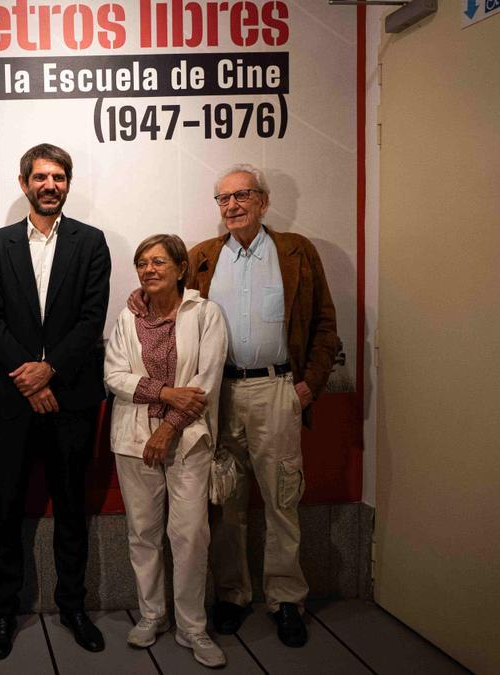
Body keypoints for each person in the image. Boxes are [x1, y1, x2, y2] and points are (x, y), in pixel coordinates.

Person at [190, 164, 339, 647]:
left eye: (242, 195)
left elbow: (324, 324)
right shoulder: (203, 258)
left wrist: (310, 386)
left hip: (278, 391)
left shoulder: (296, 252)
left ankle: (287, 599)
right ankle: (232, 595)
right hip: (220, 394)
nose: (232, 206)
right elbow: (173, 309)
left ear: (263, 201)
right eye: (223, 199)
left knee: (282, 499)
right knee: (226, 500)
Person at [0, 143, 112, 659]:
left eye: (58, 176)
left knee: (71, 508)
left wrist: (50, 369)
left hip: (71, 399)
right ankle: (5, 610)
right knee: (7, 508)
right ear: (23, 183)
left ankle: (73, 606)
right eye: (40, 176)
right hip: (13, 402)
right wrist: (28, 379)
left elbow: (90, 319)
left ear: (68, 183)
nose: (49, 184)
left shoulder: (92, 242)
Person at [104, 234, 228, 667]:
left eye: (158, 261)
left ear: (180, 268)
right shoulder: (126, 317)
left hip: (188, 439)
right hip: (133, 438)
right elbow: (115, 375)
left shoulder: (205, 314)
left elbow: (206, 382)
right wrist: (164, 392)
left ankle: (192, 626)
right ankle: (152, 614)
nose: (149, 269)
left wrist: (169, 426)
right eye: (142, 263)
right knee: (143, 532)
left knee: (191, 534)